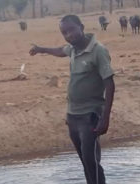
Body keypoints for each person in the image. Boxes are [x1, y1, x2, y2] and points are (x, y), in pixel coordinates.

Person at [29, 14, 115, 184]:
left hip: (90, 116)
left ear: (81, 27)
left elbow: (110, 84)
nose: (68, 35)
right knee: (85, 160)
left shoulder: (98, 50)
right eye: (64, 32)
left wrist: (105, 118)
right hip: (73, 116)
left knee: (91, 161)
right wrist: (41, 49)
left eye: (71, 30)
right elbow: (61, 51)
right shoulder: (73, 49)